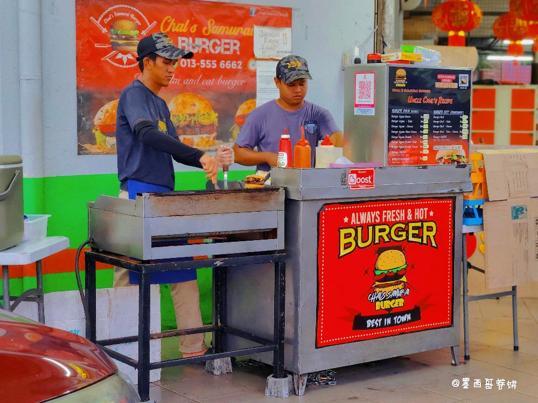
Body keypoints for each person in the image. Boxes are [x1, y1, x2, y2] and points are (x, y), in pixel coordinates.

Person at [114, 32, 231, 358]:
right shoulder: (133, 94)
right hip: (139, 196)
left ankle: (193, 349)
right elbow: (145, 133)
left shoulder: (161, 104)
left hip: (165, 198)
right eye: (166, 62)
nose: (172, 69)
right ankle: (129, 354)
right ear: (146, 61)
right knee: (133, 281)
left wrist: (205, 158)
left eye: (175, 62)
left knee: (182, 272)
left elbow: (176, 152)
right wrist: (198, 155)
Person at [233, 55, 342, 171]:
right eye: (291, 85)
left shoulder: (319, 115)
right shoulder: (259, 115)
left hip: (307, 185)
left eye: (302, 83)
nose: (298, 90)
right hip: (271, 186)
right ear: (277, 82)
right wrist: (267, 157)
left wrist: (341, 142)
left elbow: (337, 139)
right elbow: (238, 154)